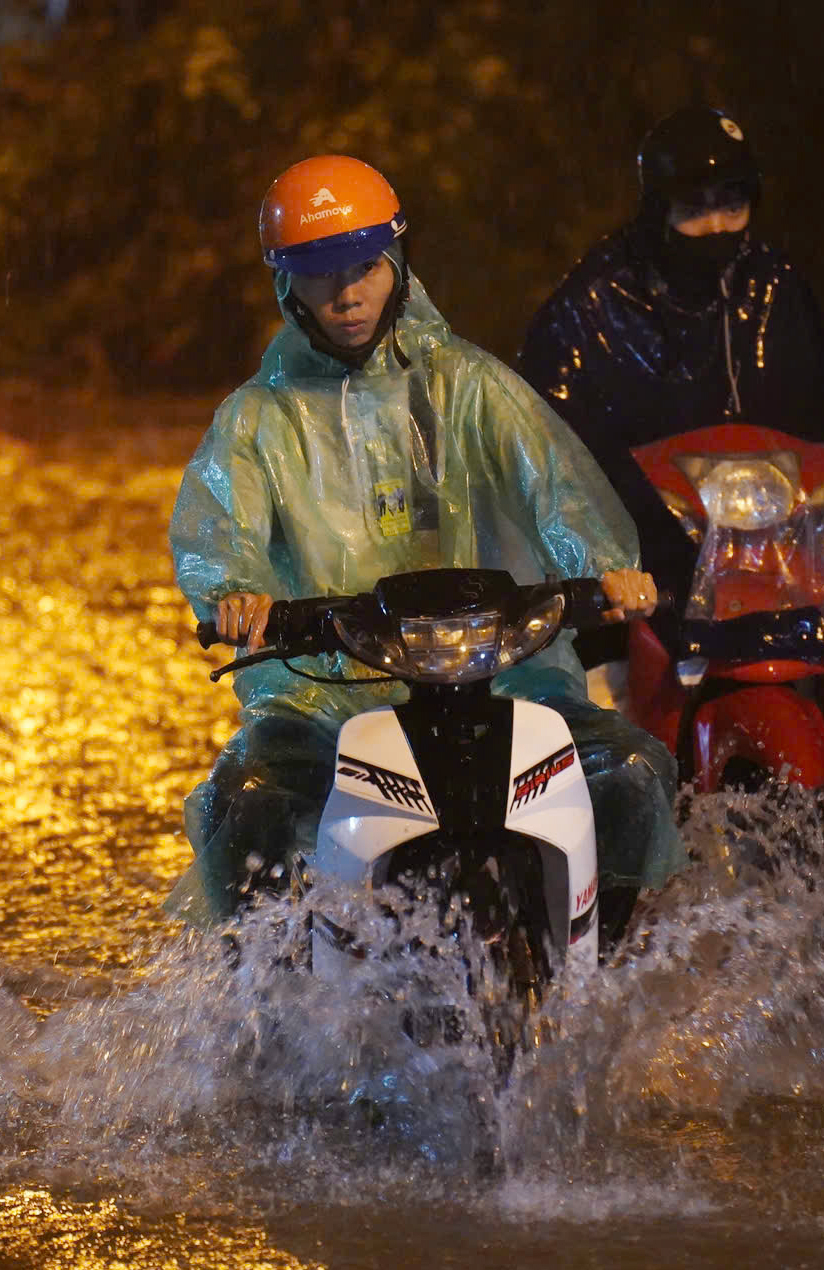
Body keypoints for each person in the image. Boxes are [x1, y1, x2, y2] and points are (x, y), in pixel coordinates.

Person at [164, 155, 686, 926]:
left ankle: (604, 953)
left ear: (398, 260)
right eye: (319, 273)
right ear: (285, 284)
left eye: (365, 266)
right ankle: (263, 998)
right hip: (325, 697)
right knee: (246, 804)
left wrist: (607, 568)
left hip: (499, 679)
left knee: (634, 771)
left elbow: (554, 483)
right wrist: (235, 592)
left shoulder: (469, 385)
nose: (347, 294)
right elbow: (220, 526)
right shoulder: (256, 419)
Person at [518, 106, 824, 673]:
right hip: (649, 571)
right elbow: (546, 431)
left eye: (732, 203)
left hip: (775, 558)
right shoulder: (598, 299)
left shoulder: (772, 283)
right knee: (604, 717)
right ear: (657, 209)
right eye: (695, 209)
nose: (719, 226)